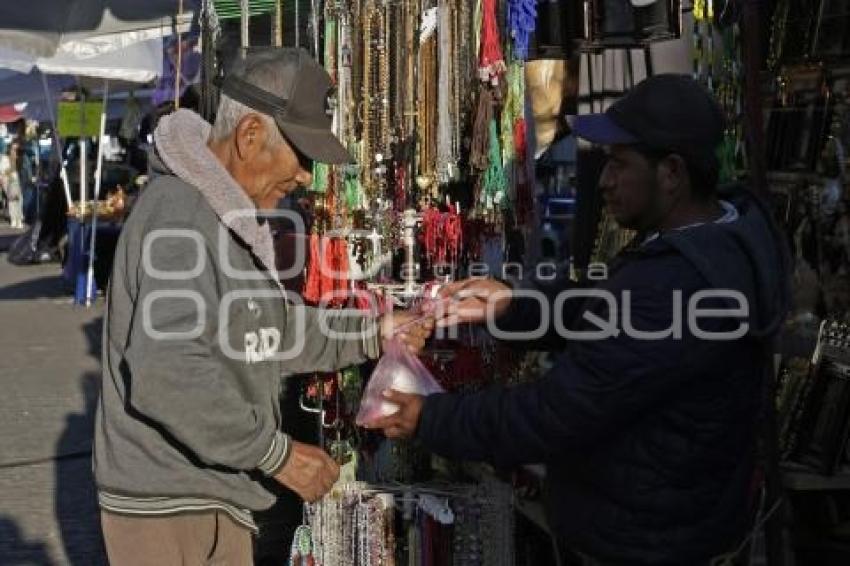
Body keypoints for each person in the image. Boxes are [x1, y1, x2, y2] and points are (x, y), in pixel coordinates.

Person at [370, 75, 791, 564]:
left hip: (647, 542)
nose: (604, 179)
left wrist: (432, 417)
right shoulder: (714, 240)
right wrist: (515, 306)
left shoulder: (677, 282)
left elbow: (555, 413)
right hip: (677, 519)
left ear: (672, 173)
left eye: (619, 163)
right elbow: (612, 314)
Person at [93, 48, 433, 566]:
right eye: (302, 156)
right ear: (250, 135)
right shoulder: (181, 215)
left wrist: (373, 332)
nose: (305, 177)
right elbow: (168, 372)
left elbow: (269, 330)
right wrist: (277, 455)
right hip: (171, 503)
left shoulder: (224, 216)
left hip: (204, 492)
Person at [1, 141, 24, 229]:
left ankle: (18, 219)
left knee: (19, 200)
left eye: (16, 149)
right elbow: (3, 171)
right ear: (9, 149)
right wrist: (11, 167)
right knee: (13, 200)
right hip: (9, 181)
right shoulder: (5, 158)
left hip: (17, 181)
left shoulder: (20, 158)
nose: (14, 151)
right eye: (13, 149)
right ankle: (14, 219)